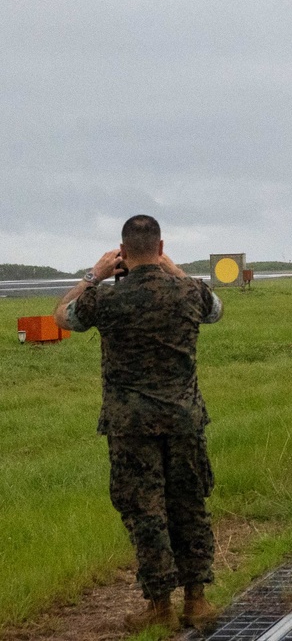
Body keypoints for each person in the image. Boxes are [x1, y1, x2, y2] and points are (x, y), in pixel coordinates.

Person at [53, 215, 223, 631]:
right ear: (161, 247)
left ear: (122, 253)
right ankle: (197, 601)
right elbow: (216, 310)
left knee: (146, 513)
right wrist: (174, 268)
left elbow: (62, 317)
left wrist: (93, 276)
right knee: (189, 506)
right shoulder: (189, 291)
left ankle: (160, 606)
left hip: (131, 425)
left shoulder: (107, 299)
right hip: (183, 420)